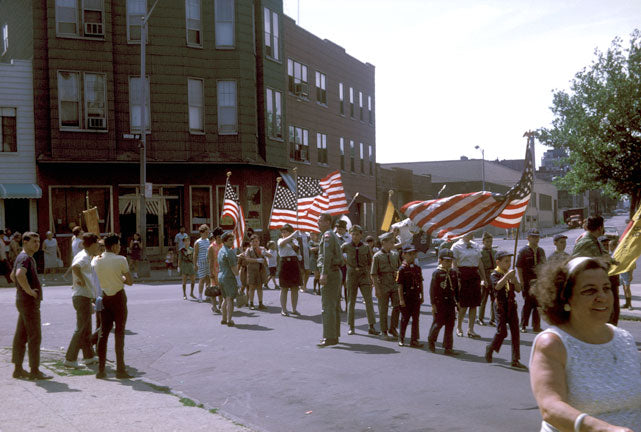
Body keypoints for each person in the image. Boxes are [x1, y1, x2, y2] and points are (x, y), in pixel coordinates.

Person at [530, 256, 641, 431]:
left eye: (606, 288)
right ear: (566, 298)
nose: (602, 297)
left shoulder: (624, 338)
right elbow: (550, 407)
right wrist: (604, 429)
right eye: (590, 291)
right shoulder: (552, 343)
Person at [10, 232, 52, 380]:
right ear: (25, 242)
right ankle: (34, 370)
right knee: (34, 336)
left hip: (23, 301)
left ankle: (18, 369)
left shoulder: (22, 257)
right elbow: (20, 274)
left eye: (38, 241)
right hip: (28, 303)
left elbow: (12, 275)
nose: (37, 244)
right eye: (34, 241)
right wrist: (29, 291)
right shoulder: (25, 258)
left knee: (21, 336)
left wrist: (22, 289)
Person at [93, 233, 133, 379]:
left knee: (103, 333)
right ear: (115, 245)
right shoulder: (121, 259)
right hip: (118, 297)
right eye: (119, 244)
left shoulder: (96, 261)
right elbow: (129, 281)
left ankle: (101, 369)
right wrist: (120, 277)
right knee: (119, 333)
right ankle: (120, 369)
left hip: (104, 297)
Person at [63, 233, 101, 369]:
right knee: (80, 329)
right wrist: (83, 280)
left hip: (84, 296)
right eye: (97, 243)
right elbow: (75, 267)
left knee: (86, 329)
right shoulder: (84, 256)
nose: (99, 246)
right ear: (92, 244)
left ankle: (88, 356)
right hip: (81, 296)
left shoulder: (85, 255)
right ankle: (70, 358)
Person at [484, 250, 527, 369]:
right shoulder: (495, 274)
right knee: (502, 332)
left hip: (511, 305)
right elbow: (497, 286)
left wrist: (515, 281)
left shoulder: (510, 274)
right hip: (500, 306)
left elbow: (518, 289)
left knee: (515, 333)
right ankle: (491, 347)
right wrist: (507, 277)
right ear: (498, 262)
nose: (508, 264)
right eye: (505, 261)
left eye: (509, 261)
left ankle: (515, 359)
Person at [342, 225, 379, 336]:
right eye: (353, 234)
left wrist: (370, 277)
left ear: (361, 235)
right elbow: (338, 255)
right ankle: (351, 326)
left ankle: (371, 326)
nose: (355, 236)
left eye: (357, 234)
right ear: (350, 235)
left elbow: (370, 262)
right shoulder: (346, 246)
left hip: (363, 275)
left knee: (368, 301)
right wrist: (346, 262)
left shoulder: (366, 247)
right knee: (351, 301)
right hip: (351, 274)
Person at [451, 232, 485, 338]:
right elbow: (454, 264)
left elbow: (479, 262)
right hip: (463, 275)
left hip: (474, 275)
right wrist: (457, 279)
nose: (471, 234)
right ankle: (459, 327)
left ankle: (471, 329)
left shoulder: (476, 245)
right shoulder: (456, 246)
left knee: (474, 304)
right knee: (463, 304)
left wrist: (484, 278)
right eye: (469, 232)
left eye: (472, 232)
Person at [427, 249, 460, 355]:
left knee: (450, 325)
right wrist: (433, 304)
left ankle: (448, 347)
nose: (448, 263)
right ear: (440, 261)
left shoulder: (453, 273)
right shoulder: (437, 273)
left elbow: (456, 289)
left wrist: (458, 302)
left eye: (450, 261)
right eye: (446, 261)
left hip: (450, 303)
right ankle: (431, 340)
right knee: (438, 323)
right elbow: (432, 290)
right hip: (440, 303)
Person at [317, 213, 343, 347]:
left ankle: (329, 337)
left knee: (327, 306)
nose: (318, 223)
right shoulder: (330, 235)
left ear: (328, 222)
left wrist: (324, 274)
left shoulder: (327, 236)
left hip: (330, 273)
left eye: (320, 221)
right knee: (333, 306)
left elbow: (327, 256)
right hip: (334, 272)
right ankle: (334, 335)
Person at [371, 232, 401, 340]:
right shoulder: (377, 256)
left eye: (393, 242)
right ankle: (384, 331)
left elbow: (399, 268)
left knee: (397, 306)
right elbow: (373, 274)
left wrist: (396, 273)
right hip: (382, 284)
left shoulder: (395, 254)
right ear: (384, 242)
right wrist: (376, 289)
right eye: (391, 242)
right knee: (383, 309)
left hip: (394, 284)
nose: (393, 244)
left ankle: (393, 328)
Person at [517, 229, 546, 333]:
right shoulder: (523, 251)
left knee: (538, 305)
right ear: (528, 238)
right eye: (533, 237)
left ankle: (536, 326)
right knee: (528, 304)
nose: (536, 239)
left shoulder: (541, 251)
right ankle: (523, 325)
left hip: (538, 282)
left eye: (537, 237)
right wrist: (521, 282)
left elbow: (544, 266)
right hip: (527, 282)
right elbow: (519, 267)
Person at [396, 246, 424, 347]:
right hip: (406, 297)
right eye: (409, 254)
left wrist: (422, 295)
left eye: (413, 254)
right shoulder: (402, 269)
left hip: (415, 296)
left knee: (416, 319)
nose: (412, 256)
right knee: (405, 319)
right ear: (404, 255)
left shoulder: (417, 268)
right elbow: (400, 285)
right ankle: (401, 338)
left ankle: (414, 340)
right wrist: (401, 299)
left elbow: (420, 282)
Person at [278, 224, 302, 316]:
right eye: (282, 232)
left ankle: (294, 309)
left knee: (295, 288)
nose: (283, 234)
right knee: (284, 288)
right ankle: (283, 309)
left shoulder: (295, 241)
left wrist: (299, 255)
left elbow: (297, 250)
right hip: (284, 264)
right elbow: (282, 243)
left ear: (290, 232)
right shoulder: (281, 240)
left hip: (293, 263)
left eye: (285, 232)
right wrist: (292, 235)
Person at [218, 232, 240, 326]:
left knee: (224, 299)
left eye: (232, 239)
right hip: (228, 277)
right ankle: (229, 320)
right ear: (225, 241)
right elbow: (234, 268)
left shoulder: (221, 250)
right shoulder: (230, 251)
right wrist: (239, 280)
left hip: (221, 276)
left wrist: (238, 256)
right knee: (230, 299)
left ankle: (223, 318)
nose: (232, 242)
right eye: (230, 240)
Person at [245, 234, 271, 310]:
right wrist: (256, 260)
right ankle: (251, 303)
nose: (254, 243)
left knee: (260, 287)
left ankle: (260, 303)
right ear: (250, 243)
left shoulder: (262, 249)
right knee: (252, 287)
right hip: (251, 270)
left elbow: (270, 256)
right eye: (253, 241)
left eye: (256, 241)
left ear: (259, 242)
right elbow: (247, 259)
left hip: (260, 270)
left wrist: (265, 253)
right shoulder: (248, 250)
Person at [599, 236, 620, 325]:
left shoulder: (612, 257)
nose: (606, 247)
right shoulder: (598, 259)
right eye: (603, 245)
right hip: (603, 290)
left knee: (615, 310)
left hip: (613, 287)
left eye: (607, 245)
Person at [477, 231, 496, 327]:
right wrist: (482, 279)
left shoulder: (494, 251)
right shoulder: (480, 253)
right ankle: (480, 318)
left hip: (494, 277)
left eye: (491, 242)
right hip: (485, 275)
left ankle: (492, 319)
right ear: (483, 242)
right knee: (483, 299)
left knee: (494, 299)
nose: (489, 244)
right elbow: (479, 268)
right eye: (487, 242)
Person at [208, 227, 224, 313]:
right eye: (218, 237)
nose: (220, 238)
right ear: (215, 237)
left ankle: (221, 304)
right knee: (214, 289)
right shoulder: (211, 247)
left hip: (222, 269)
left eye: (221, 236)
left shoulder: (223, 245)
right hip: (214, 269)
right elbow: (210, 261)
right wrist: (211, 272)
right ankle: (214, 306)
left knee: (221, 288)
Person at [193, 224, 210, 302]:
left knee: (208, 279)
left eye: (208, 233)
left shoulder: (208, 241)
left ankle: (208, 295)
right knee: (202, 279)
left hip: (208, 263)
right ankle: (200, 296)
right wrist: (195, 264)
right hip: (201, 263)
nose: (207, 234)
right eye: (206, 233)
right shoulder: (198, 242)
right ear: (202, 233)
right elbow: (195, 254)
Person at [335, 219, 350, 309]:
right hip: (338, 264)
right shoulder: (334, 237)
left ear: (345, 229)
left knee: (347, 285)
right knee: (338, 285)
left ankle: (348, 305)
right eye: (338, 228)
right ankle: (338, 305)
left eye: (341, 228)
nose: (339, 230)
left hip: (347, 264)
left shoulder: (349, 237)